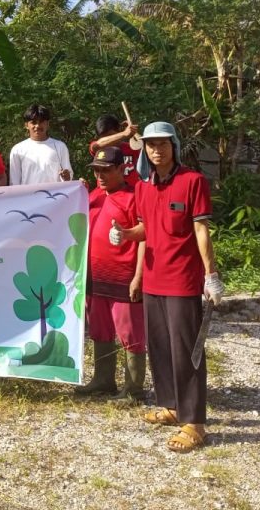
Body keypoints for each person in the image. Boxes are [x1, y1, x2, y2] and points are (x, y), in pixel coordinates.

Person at [111, 122, 225, 453]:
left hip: (183, 281)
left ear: (174, 145)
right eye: (150, 145)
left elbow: (201, 231)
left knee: (186, 351)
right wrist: (126, 234)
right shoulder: (143, 188)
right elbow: (146, 228)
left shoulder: (193, 182)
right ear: (144, 149)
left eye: (163, 144)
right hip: (154, 279)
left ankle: (195, 423)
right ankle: (172, 406)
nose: (156, 150)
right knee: (159, 346)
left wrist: (211, 275)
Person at [75, 147, 146, 403]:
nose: (100, 175)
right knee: (100, 330)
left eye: (106, 170)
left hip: (123, 277)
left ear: (121, 168)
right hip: (95, 277)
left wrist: (139, 276)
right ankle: (103, 379)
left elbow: (144, 237)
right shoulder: (93, 195)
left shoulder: (134, 196)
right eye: (96, 170)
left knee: (129, 333)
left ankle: (134, 389)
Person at [8, 104, 73, 185]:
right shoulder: (18, 150)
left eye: (41, 122)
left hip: (54, 196)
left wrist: (66, 176)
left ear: (48, 124)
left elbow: (68, 178)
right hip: (28, 196)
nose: (37, 126)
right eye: (33, 122)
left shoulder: (60, 146)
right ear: (26, 125)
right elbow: (14, 182)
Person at [89, 114, 140, 186]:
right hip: (107, 195)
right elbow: (97, 145)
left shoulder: (132, 148)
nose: (110, 140)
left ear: (118, 131)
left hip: (131, 194)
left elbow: (146, 147)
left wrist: (134, 132)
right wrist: (124, 133)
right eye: (105, 137)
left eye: (111, 135)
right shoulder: (98, 149)